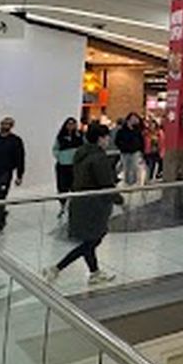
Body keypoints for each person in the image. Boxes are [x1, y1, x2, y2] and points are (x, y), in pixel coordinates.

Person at [44, 122, 119, 286]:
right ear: (100, 139)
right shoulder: (99, 157)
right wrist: (119, 199)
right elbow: (106, 182)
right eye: (106, 138)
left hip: (81, 202)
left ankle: (94, 272)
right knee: (93, 240)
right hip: (94, 204)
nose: (108, 141)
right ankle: (57, 268)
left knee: (91, 239)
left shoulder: (81, 153)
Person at [52, 117, 82, 218]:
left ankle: (73, 207)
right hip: (62, 166)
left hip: (74, 166)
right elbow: (55, 149)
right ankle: (63, 206)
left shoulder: (79, 136)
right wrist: (60, 157)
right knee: (62, 187)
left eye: (73, 124)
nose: (71, 126)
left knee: (74, 186)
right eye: (69, 124)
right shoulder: (60, 137)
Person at [114, 113, 144, 186]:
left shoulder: (137, 130)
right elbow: (117, 141)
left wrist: (140, 149)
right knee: (126, 168)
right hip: (125, 152)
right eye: (132, 119)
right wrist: (122, 147)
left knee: (135, 168)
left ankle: (134, 182)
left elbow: (141, 140)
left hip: (135, 152)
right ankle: (127, 182)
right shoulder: (122, 131)